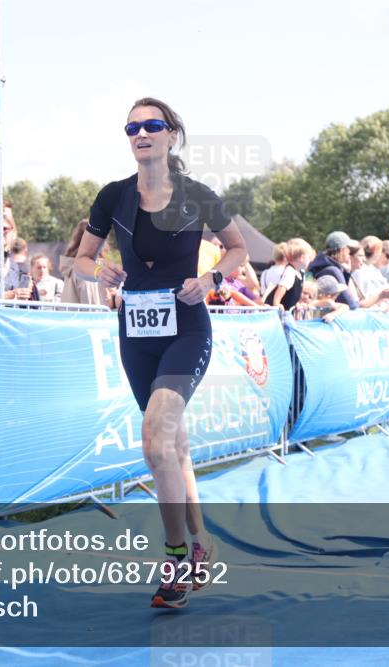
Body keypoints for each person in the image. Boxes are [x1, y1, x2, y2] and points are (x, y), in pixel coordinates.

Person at [73, 97, 248, 609]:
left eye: (151, 125)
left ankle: (174, 557)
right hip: (136, 332)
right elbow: (81, 259)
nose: (140, 134)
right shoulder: (112, 197)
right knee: (175, 447)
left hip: (187, 327)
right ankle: (201, 542)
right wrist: (97, 271)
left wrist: (210, 279)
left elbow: (236, 249)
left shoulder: (198, 195)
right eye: (132, 127)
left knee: (155, 443)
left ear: (171, 135)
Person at [60, 219, 114, 307]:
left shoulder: (73, 266)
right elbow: (92, 307)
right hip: (87, 318)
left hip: (73, 317)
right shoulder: (87, 269)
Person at [308, 231, 360, 310]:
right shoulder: (333, 270)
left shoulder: (321, 265)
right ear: (342, 250)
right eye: (348, 248)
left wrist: (346, 273)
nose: (349, 252)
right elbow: (350, 304)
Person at [263, 237, 314, 313]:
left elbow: (295, 294)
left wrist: (298, 303)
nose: (310, 261)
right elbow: (281, 289)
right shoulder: (290, 272)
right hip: (276, 312)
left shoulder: (300, 273)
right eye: (309, 258)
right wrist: (277, 303)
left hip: (288, 311)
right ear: (302, 258)